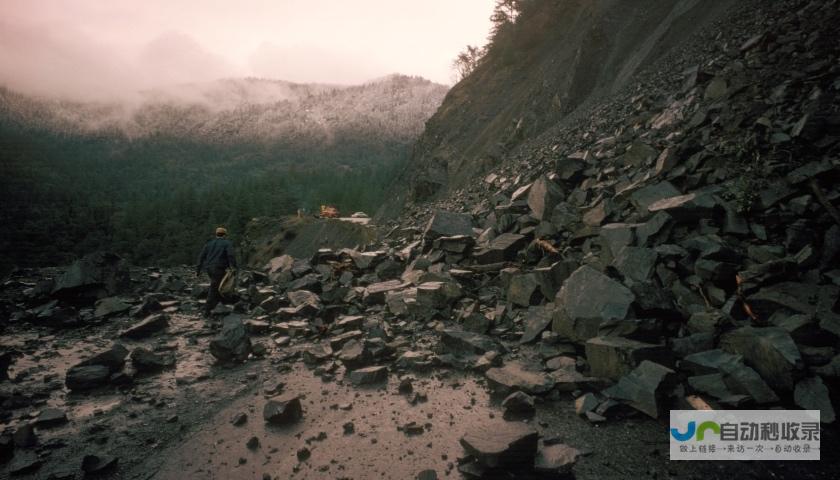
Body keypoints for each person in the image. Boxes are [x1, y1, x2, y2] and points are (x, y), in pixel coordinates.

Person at [196, 226, 237, 316]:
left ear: (216, 234)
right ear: (225, 235)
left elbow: (201, 257)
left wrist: (198, 270)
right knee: (214, 287)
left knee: (217, 285)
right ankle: (206, 310)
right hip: (219, 268)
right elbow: (231, 255)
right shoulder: (227, 243)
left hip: (209, 268)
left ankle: (219, 306)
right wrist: (234, 267)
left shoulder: (209, 244)